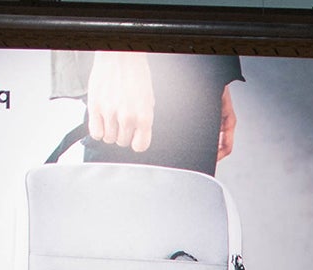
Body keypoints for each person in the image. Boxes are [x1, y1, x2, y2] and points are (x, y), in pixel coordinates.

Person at [50, 51, 245, 176]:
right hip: (140, 50)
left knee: (181, 215)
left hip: (192, 61)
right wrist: (119, 49)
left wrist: (212, 77)